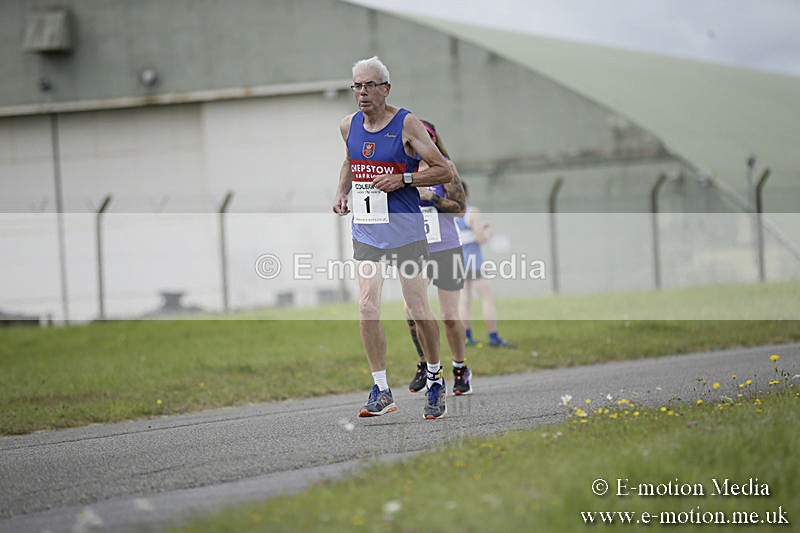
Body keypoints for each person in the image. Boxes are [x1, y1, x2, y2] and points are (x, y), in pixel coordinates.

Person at [332, 56, 454, 420]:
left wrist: (403, 180)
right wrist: (341, 192)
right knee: (367, 304)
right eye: (357, 85)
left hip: (405, 230)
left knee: (417, 309)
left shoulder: (407, 124)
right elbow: (351, 161)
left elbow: (442, 169)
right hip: (368, 229)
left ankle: (434, 377)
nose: (363, 92)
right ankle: (381, 388)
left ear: (386, 88)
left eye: (370, 85)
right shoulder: (347, 125)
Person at [405, 120, 473, 396]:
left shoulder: (445, 167)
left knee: (449, 316)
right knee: (412, 313)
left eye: (423, 140)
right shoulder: (401, 169)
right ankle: (425, 362)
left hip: (445, 247)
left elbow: (459, 209)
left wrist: (432, 198)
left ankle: (460, 366)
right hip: (413, 248)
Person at [457, 182, 514, 347]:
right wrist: (488, 233)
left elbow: (462, 235)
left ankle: (466, 337)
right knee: (487, 298)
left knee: (464, 300)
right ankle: (494, 337)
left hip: (456, 260)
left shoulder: (449, 213)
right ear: (466, 194)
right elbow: (480, 238)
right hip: (472, 261)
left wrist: (480, 228)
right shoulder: (472, 212)